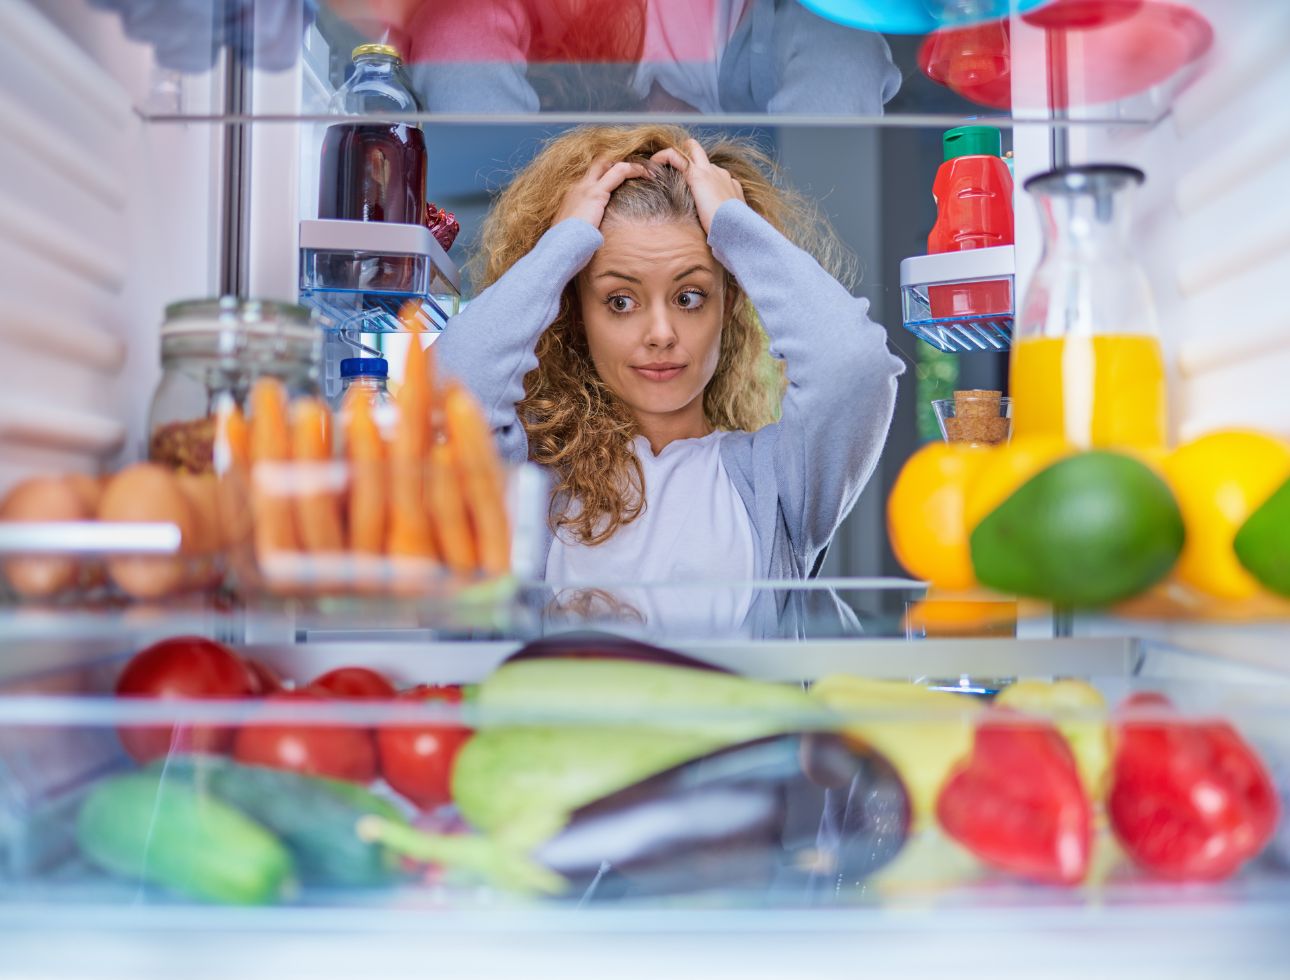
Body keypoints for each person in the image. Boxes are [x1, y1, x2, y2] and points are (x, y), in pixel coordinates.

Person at [434, 125, 903, 617]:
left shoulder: (776, 485)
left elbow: (854, 365)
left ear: (729, 302)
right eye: (619, 301)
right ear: (575, 314)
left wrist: (733, 224)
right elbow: (447, 389)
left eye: (689, 297)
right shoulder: (533, 483)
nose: (660, 332)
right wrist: (562, 245)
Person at [330, 0, 901, 114]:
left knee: (843, 44)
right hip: (573, 62)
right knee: (456, 26)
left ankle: (798, 257)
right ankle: (537, 239)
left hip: (741, 39)